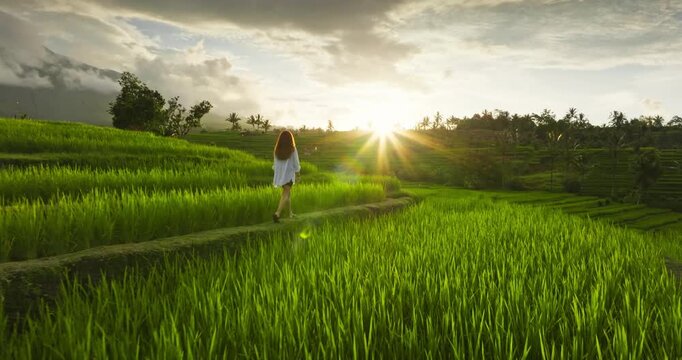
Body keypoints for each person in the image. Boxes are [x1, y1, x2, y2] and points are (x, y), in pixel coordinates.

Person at [272, 130, 300, 223]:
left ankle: (290, 213)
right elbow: (296, 162)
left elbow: (275, 163)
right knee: (285, 193)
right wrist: (297, 174)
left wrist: (277, 174)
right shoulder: (292, 148)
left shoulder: (277, 149)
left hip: (281, 175)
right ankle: (277, 213)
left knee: (288, 193)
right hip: (288, 175)